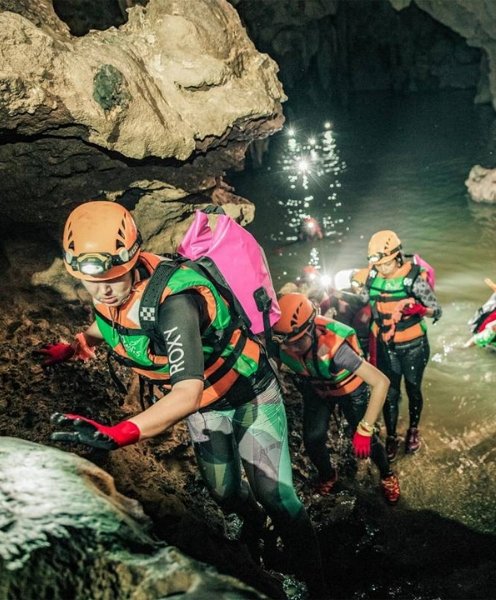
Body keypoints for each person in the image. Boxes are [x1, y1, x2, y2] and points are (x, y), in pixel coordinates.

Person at [42, 201, 328, 597]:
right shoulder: (110, 293)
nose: (104, 287)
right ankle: (256, 533)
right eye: (93, 280)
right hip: (206, 406)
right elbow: (114, 321)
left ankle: (315, 578)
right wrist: (76, 344)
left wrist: (120, 433)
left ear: (133, 257)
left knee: (276, 495)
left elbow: (186, 391)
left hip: (248, 392)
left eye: (114, 275)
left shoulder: (175, 302)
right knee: (223, 492)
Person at [273, 293, 400, 504]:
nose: (291, 349)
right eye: (286, 344)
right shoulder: (283, 340)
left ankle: (387, 474)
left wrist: (365, 428)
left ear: (311, 329)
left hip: (351, 391)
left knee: (368, 440)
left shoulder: (336, 348)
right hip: (319, 388)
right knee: (312, 438)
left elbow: (381, 382)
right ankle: (327, 474)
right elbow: (274, 362)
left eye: (296, 343)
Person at [361, 230, 441, 461]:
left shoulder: (415, 280)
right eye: (379, 264)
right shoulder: (372, 276)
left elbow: (437, 310)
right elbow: (365, 301)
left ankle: (413, 429)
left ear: (397, 257)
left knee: (413, 389)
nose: (382, 269)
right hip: (386, 346)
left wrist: (421, 310)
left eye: (387, 264)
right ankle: (392, 436)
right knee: (389, 393)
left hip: (414, 346)